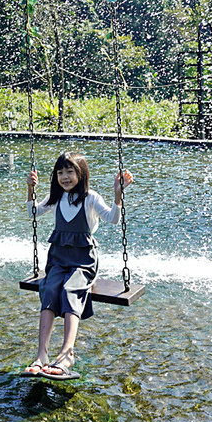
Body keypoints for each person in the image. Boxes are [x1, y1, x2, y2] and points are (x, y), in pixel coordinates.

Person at [21, 150, 134, 381]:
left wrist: (117, 194)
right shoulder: (56, 197)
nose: (64, 177)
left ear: (80, 174)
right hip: (58, 258)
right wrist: (31, 189)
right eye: (60, 172)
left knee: (70, 289)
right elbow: (33, 212)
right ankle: (41, 354)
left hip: (84, 261)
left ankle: (66, 353)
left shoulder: (91, 198)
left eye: (69, 172)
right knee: (50, 288)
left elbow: (113, 218)